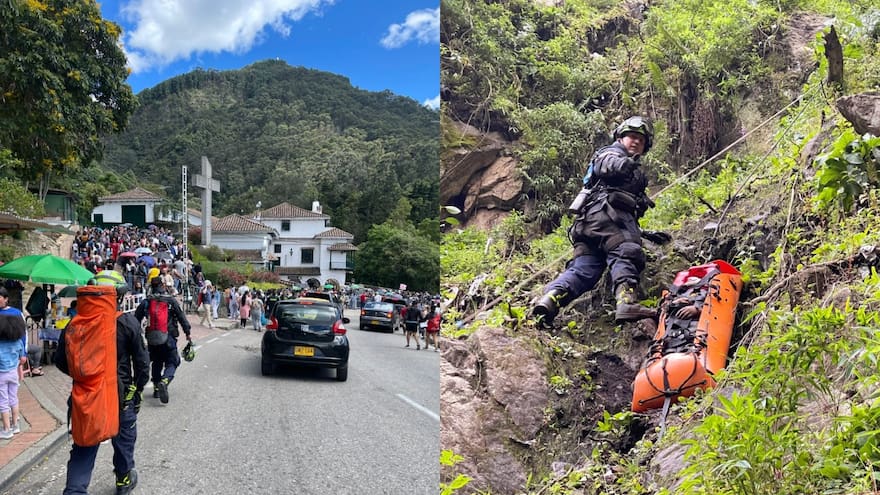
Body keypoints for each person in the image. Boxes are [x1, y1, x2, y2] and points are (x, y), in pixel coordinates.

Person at [533, 116, 668, 326]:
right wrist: (623, 164)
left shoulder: (633, 169)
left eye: (641, 141)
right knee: (626, 251)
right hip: (609, 218)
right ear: (620, 138)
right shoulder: (612, 153)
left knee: (584, 270)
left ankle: (549, 301)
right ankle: (626, 302)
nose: (636, 142)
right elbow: (607, 165)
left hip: (590, 226)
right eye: (632, 137)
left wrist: (643, 233)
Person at [54, 269, 150, 494]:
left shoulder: (74, 323)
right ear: (119, 295)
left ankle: (75, 490)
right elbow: (143, 364)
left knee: (83, 448)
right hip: (120, 396)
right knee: (124, 441)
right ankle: (124, 480)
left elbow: (61, 361)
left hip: (85, 396)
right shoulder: (128, 323)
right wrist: (135, 393)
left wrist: (85, 378)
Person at [134, 278, 191, 404]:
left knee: (157, 361)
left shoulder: (147, 301)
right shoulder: (170, 300)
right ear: (163, 285)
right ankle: (164, 381)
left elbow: (135, 319)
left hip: (152, 337)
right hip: (168, 336)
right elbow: (181, 317)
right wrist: (187, 332)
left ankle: (156, 388)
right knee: (173, 361)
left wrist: (136, 336)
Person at [0, 287, 26, 438]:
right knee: (14, 398)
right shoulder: (17, 343)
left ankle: (6, 429)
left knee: (3, 401)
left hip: (1, 375)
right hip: (13, 373)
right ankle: (16, 425)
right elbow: (21, 354)